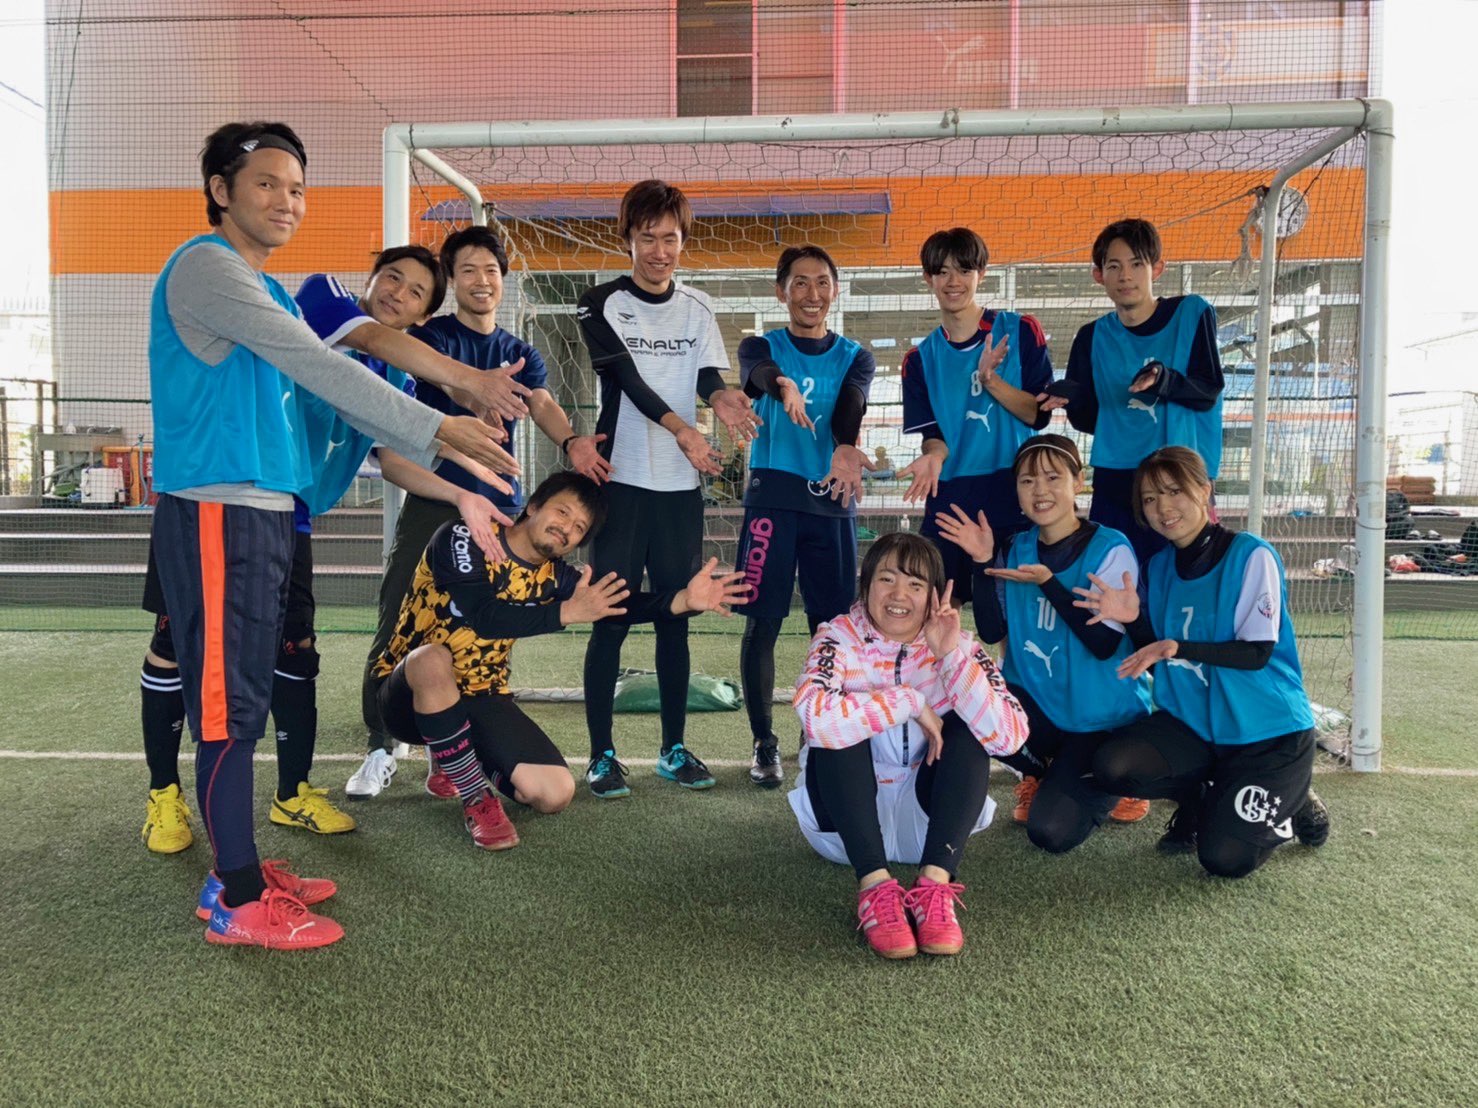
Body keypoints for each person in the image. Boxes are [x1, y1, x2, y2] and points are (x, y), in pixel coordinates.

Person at [149, 120, 511, 949]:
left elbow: (356, 407)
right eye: (267, 183)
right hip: (219, 511)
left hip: (266, 514)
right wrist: (444, 419)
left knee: (246, 698)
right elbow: (324, 364)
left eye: (298, 188)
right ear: (220, 190)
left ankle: (236, 869)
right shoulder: (208, 267)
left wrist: (453, 464)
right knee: (228, 708)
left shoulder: (265, 287)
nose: (287, 201)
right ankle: (237, 900)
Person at [352, 225, 607, 801]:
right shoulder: (430, 335)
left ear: (503, 279)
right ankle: (380, 745)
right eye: (467, 269)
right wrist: (471, 394)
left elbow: (542, 402)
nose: (481, 280)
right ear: (452, 281)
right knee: (401, 617)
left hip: (500, 510)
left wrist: (572, 442)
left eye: (490, 270)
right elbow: (429, 379)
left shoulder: (521, 351)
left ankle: (451, 748)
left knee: (482, 635)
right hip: (437, 500)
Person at [368, 473, 748, 847]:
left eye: (579, 527)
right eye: (563, 512)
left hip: (481, 695)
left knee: (555, 794)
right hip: (406, 696)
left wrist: (681, 600)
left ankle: (457, 754)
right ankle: (475, 797)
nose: (567, 528)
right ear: (534, 506)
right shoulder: (466, 536)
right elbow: (484, 616)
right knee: (432, 659)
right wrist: (565, 613)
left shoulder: (556, 577)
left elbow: (618, 604)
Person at [576, 179, 759, 799]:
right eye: (648, 237)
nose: (660, 251)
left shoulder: (699, 307)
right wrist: (683, 428)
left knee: (678, 617)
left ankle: (673, 749)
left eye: (671, 238)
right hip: (621, 483)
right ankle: (601, 755)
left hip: (681, 488)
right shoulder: (599, 303)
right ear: (627, 239)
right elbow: (628, 381)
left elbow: (705, 374)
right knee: (610, 618)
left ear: (684, 241)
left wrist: (722, 396)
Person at [1074, 447, 1331, 877]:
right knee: (1114, 765)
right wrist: (1133, 619)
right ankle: (1203, 796)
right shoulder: (1157, 568)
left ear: (1205, 489)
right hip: (1195, 726)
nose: (1163, 507)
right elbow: (1156, 655)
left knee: (1224, 858)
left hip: (1267, 734)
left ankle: (1293, 801)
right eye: (1151, 498)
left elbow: (1256, 653)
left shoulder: (1250, 555)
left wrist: (1180, 647)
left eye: (1174, 491)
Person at [790, 532, 1029, 959]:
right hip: (843, 831)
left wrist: (950, 657)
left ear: (934, 596)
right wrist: (910, 702)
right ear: (866, 585)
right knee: (835, 728)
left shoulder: (961, 643)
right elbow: (814, 716)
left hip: (931, 828)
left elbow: (1010, 737)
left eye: (915, 584)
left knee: (970, 725)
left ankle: (934, 886)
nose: (899, 595)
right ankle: (874, 888)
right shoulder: (836, 637)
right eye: (887, 579)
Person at [934, 435, 1154, 846]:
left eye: (1053, 477)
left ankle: (1118, 780)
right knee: (966, 715)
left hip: (1099, 719)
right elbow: (992, 631)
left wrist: (1049, 583)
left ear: (1079, 482)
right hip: (1038, 709)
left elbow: (1103, 644)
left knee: (1050, 831)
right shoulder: (1015, 548)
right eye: (1027, 480)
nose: (1040, 490)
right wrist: (982, 562)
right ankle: (1042, 771)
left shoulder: (1110, 548)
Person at [734, 244, 876, 787]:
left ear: (834, 291)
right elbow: (760, 374)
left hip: (831, 500)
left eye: (821, 282)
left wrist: (845, 444)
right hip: (772, 502)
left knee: (831, 628)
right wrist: (784, 384)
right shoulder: (760, 345)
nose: (811, 294)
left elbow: (852, 401)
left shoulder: (855, 356)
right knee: (763, 623)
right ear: (781, 291)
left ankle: (819, 732)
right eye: (799, 282)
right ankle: (763, 742)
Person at [1041, 218, 1225, 565]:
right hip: (1116, 476)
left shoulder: (1191, 313)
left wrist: (1164, 380)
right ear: (1099, 275)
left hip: (1177, 474)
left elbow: (1207, 392)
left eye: (1136, 264)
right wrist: (1073, 400)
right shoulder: (1091, 336)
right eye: (1114, 266)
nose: (1126, 276)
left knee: (1183, 575)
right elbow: (1091, 421)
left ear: (1157, 268)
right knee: (1113, 574)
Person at [896, 227, 1053, 602]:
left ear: (981, 273)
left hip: (1012, 488)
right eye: (943, 272)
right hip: (952, 493)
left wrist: (990, 380)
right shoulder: (919, 359)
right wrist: (933, 456)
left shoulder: (1020, 330)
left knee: (1012, 606)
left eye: (964, 270)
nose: (954, 281)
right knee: (939, 603)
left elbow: (1038, 415)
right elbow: (934, 435)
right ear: (928, 278)